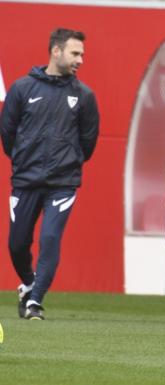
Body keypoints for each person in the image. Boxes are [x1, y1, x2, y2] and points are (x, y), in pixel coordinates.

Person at [0, 28, 100, 320]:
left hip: (62, 184)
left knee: (50, 238)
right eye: (75, 53)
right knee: (16, 244)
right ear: (56, 51)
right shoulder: (22, 88)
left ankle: (35, 302)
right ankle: (30, 285)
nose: (81, 59)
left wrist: (70, 162)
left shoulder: (84, 96)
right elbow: (7, 133)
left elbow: (88, 141)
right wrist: (22, 160)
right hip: (25, 181)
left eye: (82, 53)